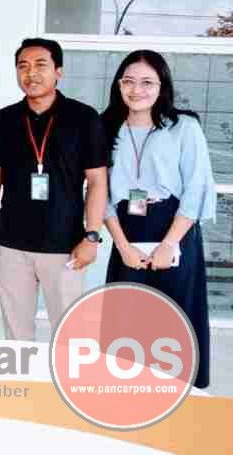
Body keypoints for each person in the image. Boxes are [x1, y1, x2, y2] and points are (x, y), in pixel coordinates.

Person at [0, 38, 108, 340]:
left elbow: (98, 182)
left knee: (71, 335)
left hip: (65, 245)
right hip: (12, 244)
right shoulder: (4, 119)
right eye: (23, 66)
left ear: (58, 71)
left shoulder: (83, 117)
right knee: (16, 334)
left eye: (40, 65)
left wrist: (92, 236)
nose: (31, 73)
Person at [102, 50, 214, 389]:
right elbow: (98, 192)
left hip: (174, 229)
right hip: (127, 230)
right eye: (129, 81)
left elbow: (196, 187)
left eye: (147, 82)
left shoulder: (184, 127)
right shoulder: (104, 128)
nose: (137, 90)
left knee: (175, 318)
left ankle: (177, 394)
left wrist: (169, 244)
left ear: (162, 86)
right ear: (118, 85)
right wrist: (122, 246)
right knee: (126, 321)